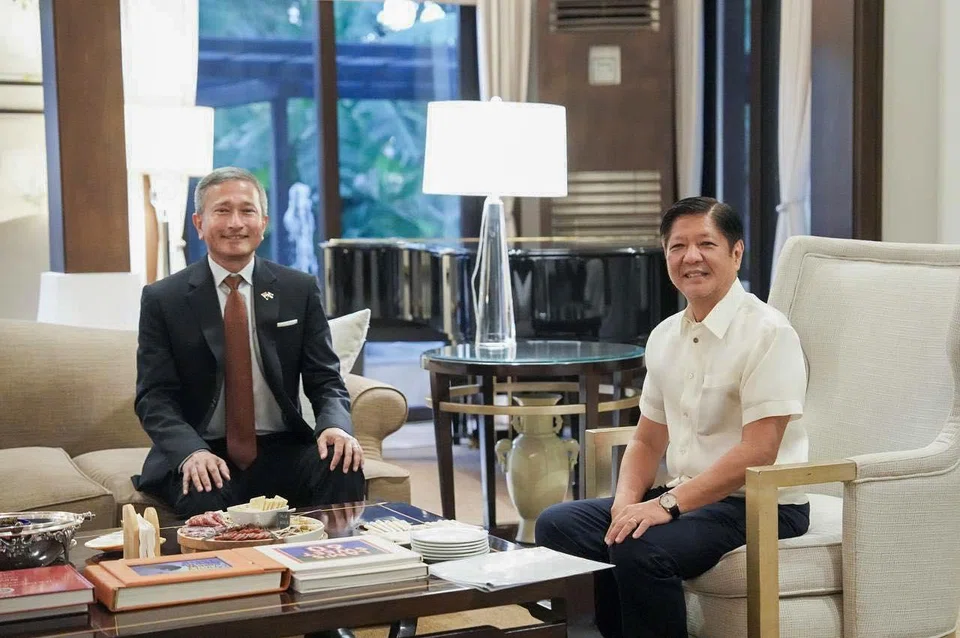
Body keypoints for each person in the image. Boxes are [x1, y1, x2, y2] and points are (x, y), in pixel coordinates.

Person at [535, 197, 811, 638]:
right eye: (677, 247)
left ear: (736, 252)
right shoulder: (665, 336)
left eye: (706, 244)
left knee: (640, 549)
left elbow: (759, 451)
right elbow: (646, 442)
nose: (691, 257)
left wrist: (666, 505)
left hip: (760, 504)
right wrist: (626, 504)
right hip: (688, 495)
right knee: (558, 524)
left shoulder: (769, 333)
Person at [132, 166, 365, 520]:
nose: (235, 223)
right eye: (222, 211)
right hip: (204, 449)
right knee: (203, 494)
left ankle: (329, 567)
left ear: (264, 221)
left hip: (281, 446)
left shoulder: (297, 289)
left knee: (342, 466)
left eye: (247, 211)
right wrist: (189, 451)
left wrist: (335, 425)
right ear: (198, 223)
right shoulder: (164, 298)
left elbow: (326, 380)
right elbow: (154, 397)